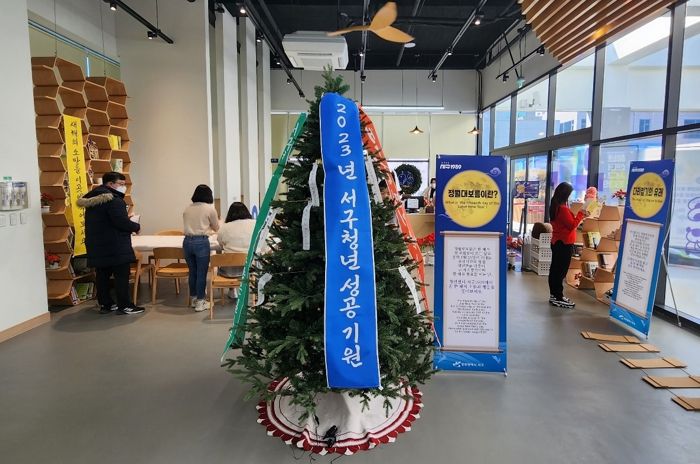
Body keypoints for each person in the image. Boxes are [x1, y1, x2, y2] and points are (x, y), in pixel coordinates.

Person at [77, 171, 144, 315]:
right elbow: (120, 222)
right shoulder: (114, 200)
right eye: (121, 184)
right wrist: (135, 226)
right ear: (110, 184)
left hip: (97, 245)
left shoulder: (92, 201)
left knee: (102, 276)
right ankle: (125, 305)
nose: (123, 187)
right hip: (115, 245)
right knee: (121, 276)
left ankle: (106, 304)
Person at [548, 182, 588, 309]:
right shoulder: (563, 209)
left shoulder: (555, 206)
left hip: (557, 242)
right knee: (560, 271)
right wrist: (581, 213)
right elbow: (572, 225)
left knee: (555, 270)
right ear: (565, 195)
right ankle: (558, 297)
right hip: (564, 243)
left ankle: (554, 295)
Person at [182, 184, 219, 312]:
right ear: (209, 195)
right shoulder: (209, 209)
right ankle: (200, 302)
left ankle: (193, 299)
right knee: (201, 273)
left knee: (192, 272)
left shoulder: (187, 208)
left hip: (187, 242)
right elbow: (216, 227)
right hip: (201, 242)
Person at [217, 202, 255, 279]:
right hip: (250, 270)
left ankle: (230, 287)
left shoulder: (224, 227)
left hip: (229, 272)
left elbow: (221, 244)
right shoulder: (255, 224)